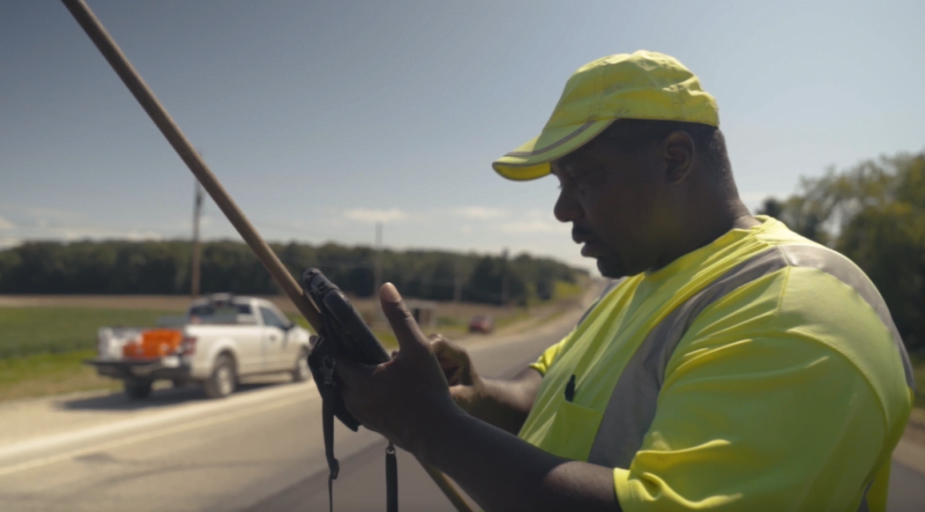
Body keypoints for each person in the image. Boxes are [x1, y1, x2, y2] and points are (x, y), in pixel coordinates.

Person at [333, 51, 914, 511]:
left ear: (675, 159)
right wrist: (469, 392)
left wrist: (428, 426)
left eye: (582, 177)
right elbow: (552, 393)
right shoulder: (638, 284)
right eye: (558, 183)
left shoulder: (792, 306)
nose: (561, 211)